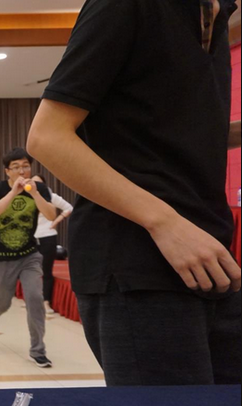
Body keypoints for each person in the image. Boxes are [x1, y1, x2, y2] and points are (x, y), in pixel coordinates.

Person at [27, 0, 241, 386]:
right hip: (136, 260)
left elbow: (169, 133)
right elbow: (47, 137)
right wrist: (165, 223)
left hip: (211, 252)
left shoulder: (218, 15)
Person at [0, 149, 57, 368]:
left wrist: (35, 194)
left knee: (34, 298)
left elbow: (51, 215)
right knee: (1, 303)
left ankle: (38, 350)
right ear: (7, 171)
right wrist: (13, 193)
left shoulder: (39, 188)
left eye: (25, 166)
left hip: (29, 255)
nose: (22, 171)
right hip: (1, 256)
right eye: (16, 167)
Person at [31, 175, 73, 311]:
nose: (36, 185)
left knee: (46, 270)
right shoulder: (27, 197)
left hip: (47, 235)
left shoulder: (50, 196)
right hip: (30, 238)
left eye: (39, 183)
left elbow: (68, 208)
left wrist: (56, 221)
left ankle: (46, 301)